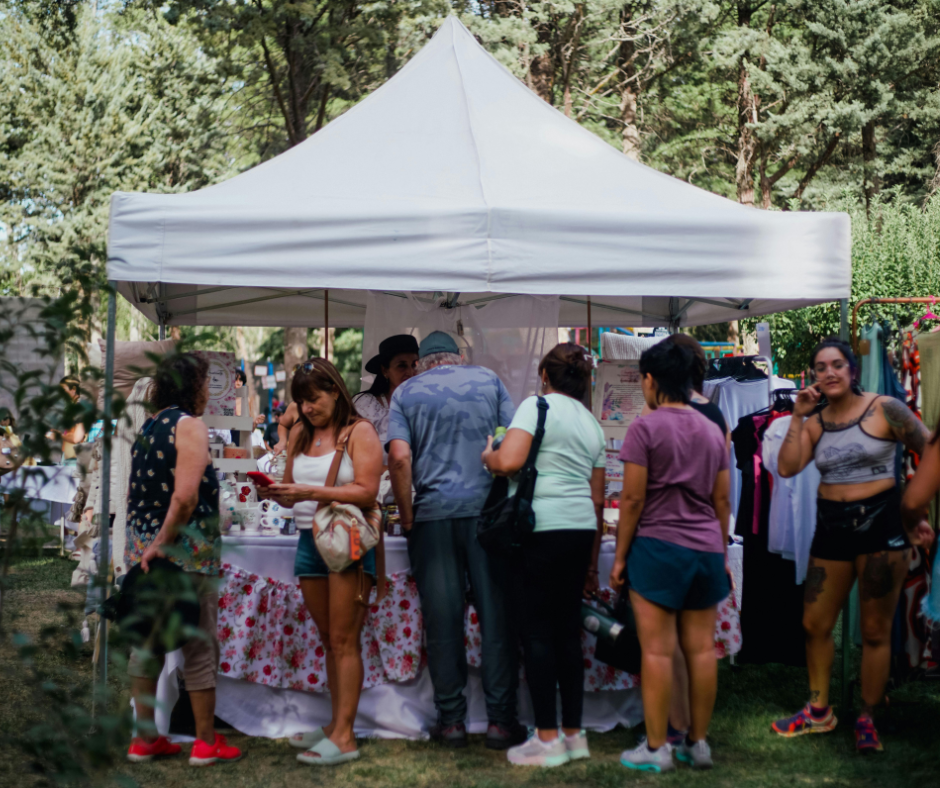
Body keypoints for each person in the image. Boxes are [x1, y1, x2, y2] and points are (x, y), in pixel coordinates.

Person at [772, 337, 930, 753]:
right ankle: (819, 711)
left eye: (837, 365)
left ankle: (867, 717)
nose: (830, 373)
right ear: (813, 377)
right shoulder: (816, 422)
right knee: (814, 624)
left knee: (875, 630)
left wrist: (918, 512)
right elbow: (786, 467)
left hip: (882, 526)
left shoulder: (886, 409)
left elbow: (929, 448)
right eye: (821, 367)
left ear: (852, 371)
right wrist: (797, 416)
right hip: (832, 529)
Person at [387, 331, 525, 750]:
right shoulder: (489, 381)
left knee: (443, 622)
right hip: (488, 517)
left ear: (424, 362)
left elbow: (398, 458)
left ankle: (451, 723)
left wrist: (408, 517)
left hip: (433, 517)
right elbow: (513, 444)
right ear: (458, 358)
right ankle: (501, 722)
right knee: (496, 618)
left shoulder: (406, 393)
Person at [482, 343, 605, 767]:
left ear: (546, 377)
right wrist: (591, 563)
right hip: (580, 527)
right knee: (567, 633)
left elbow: (509, 461)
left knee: (536, 634)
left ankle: (547, 738)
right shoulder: (592, 423)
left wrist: (489, 455)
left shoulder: (536, 407)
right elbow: (598, 496)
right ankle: (574, 734)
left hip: (539, 528)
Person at [612, 340, 731, 773]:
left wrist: (620, 558)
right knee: (701, 650)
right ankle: (698, 744)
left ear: (650, 379)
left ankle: (658, 747)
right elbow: (722, 500)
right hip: (705, 548)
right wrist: (719, 553)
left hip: (658, 547)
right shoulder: (713, 430)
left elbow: (631, 499)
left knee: (658, 653)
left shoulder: (645, 427)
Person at [258, 358, 384, 766]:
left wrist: (306, 492)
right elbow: (296, 488)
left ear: (334, 390)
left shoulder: (360, 431)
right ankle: (334, 725)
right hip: (307, 540)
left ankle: (345, 737)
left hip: (345, 540)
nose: (307, 408)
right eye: (301, 402)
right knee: (330, 640)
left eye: (313, 399)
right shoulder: (299, 433)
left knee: (345, 640)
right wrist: (276, 492)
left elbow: (367, 492)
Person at [125, 353, 242, 766]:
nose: (208, 391)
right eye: (206, 383)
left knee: (149, 642)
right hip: (183, 552)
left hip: (143, 551)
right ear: (193, 385)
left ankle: (144, 740)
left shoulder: (150, 426)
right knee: (198, 645)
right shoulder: (189, 425)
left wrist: (148, 546)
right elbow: (186, 496)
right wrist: (164, 542)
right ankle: (206, 742)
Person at [660, 334, 731, 747]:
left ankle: (675, 724)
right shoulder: (716, 415)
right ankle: (697, 735)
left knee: (669, 643)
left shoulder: (665, 412)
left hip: (667, 531)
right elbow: (722, 490)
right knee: (699, 646)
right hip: (705, 532)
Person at [354, 334, 419, 465]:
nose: (411, 372)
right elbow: (353, 457)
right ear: (385, 370)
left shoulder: (426, 403)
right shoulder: (367, 406)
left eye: (414, 364)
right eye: (402, 365)